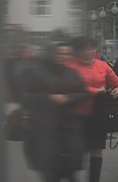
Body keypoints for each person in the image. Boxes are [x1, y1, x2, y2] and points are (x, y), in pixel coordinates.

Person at [22, 42, 89, 182]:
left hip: (69, 125)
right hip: (44, 125)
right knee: (49, 169)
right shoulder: (36, 72)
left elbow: (83, 94)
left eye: (67, 54)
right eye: (60, 53)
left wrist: (69, 98)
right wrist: (47, 97)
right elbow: (25, 97)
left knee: (71, 166)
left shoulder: (72, 72)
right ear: (51, 54)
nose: (64, 57)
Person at [66, 37, 118, 182]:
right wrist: (95, 91)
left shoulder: (102, 65)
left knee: (97, 149)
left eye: (94, 48)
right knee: (76, 151)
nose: (92, 52)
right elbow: (71, 87)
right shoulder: (70, 66)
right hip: (76, 115)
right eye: (87, 49)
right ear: (78, 51)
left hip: (99, 115)